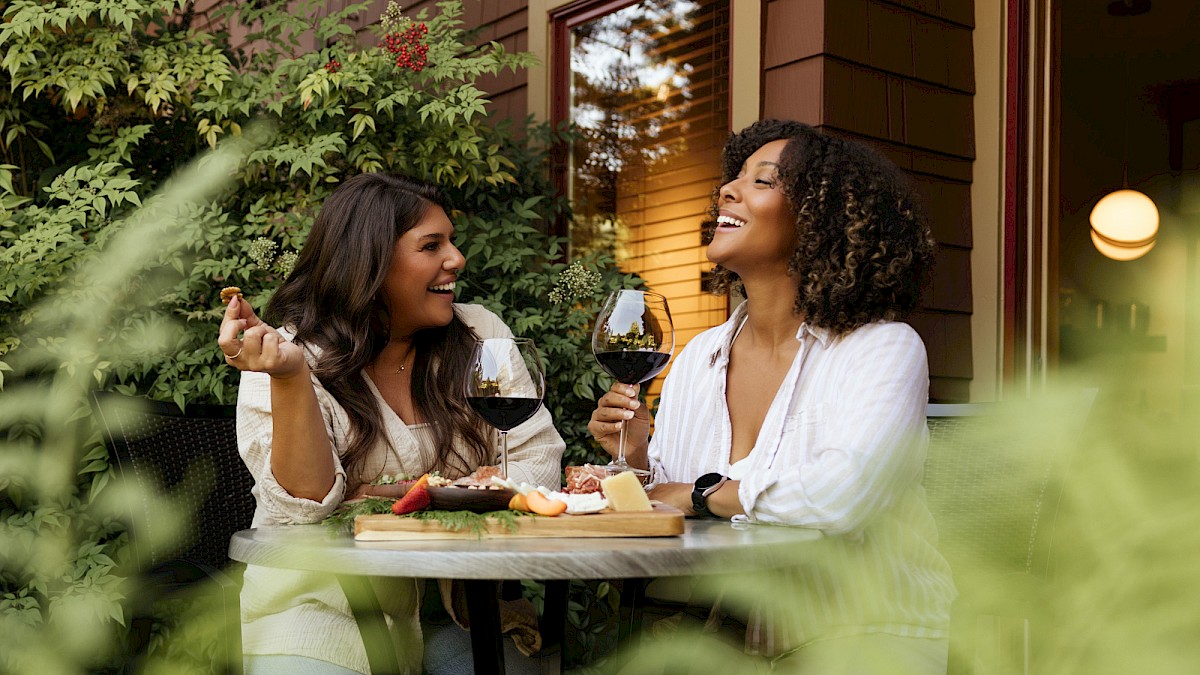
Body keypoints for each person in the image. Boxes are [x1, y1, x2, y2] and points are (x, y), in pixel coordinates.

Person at [588, 120, 956, 672]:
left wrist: (702, 492)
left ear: (820, 220)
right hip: (721, 636)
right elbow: (666, 493)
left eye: (763, 181)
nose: (727, 191)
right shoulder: (698, 358)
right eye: (731, 179)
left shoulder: (882, 349)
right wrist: (635, 457)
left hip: (860, 633)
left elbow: (841, 495)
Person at [218, 173, 564, 674]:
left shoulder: (480, 336)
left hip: (467, 613)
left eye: (452, 240)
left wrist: (388, 499)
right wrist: (291, 376)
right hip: (320, 607)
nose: (456, 259)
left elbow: (538, 464)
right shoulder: (288, 353)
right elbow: (304, 512)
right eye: (432, 245)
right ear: (371, 263)